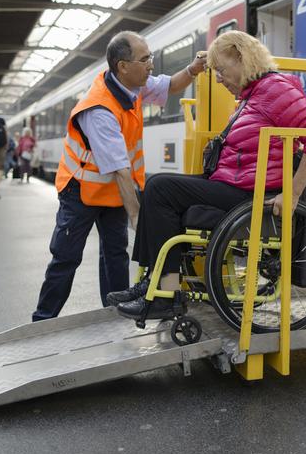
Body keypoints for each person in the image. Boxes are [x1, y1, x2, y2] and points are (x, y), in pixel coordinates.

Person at [110, 30, 306, 320]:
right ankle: (156, 285)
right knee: (158, 192)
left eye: (222, 70)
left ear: (242, 59)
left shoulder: (275, 89)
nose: (217, 79)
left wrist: (292, 193)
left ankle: (166, 294)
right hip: (233, 186)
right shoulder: (251, 95)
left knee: (160, 188)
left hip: (249, 194)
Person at [32, 31, 207, 322]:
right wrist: (138, 217)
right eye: (145, 59)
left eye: (150, 57)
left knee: (115, 254)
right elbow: (120, 169)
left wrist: (193, 70)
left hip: (111, 190)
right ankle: (42, 321)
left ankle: (115, 316)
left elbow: (171, 85)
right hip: (81, 190)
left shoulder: (134, 85)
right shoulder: (99, 109)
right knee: (66, 258)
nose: (151, 65)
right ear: (123, 66)